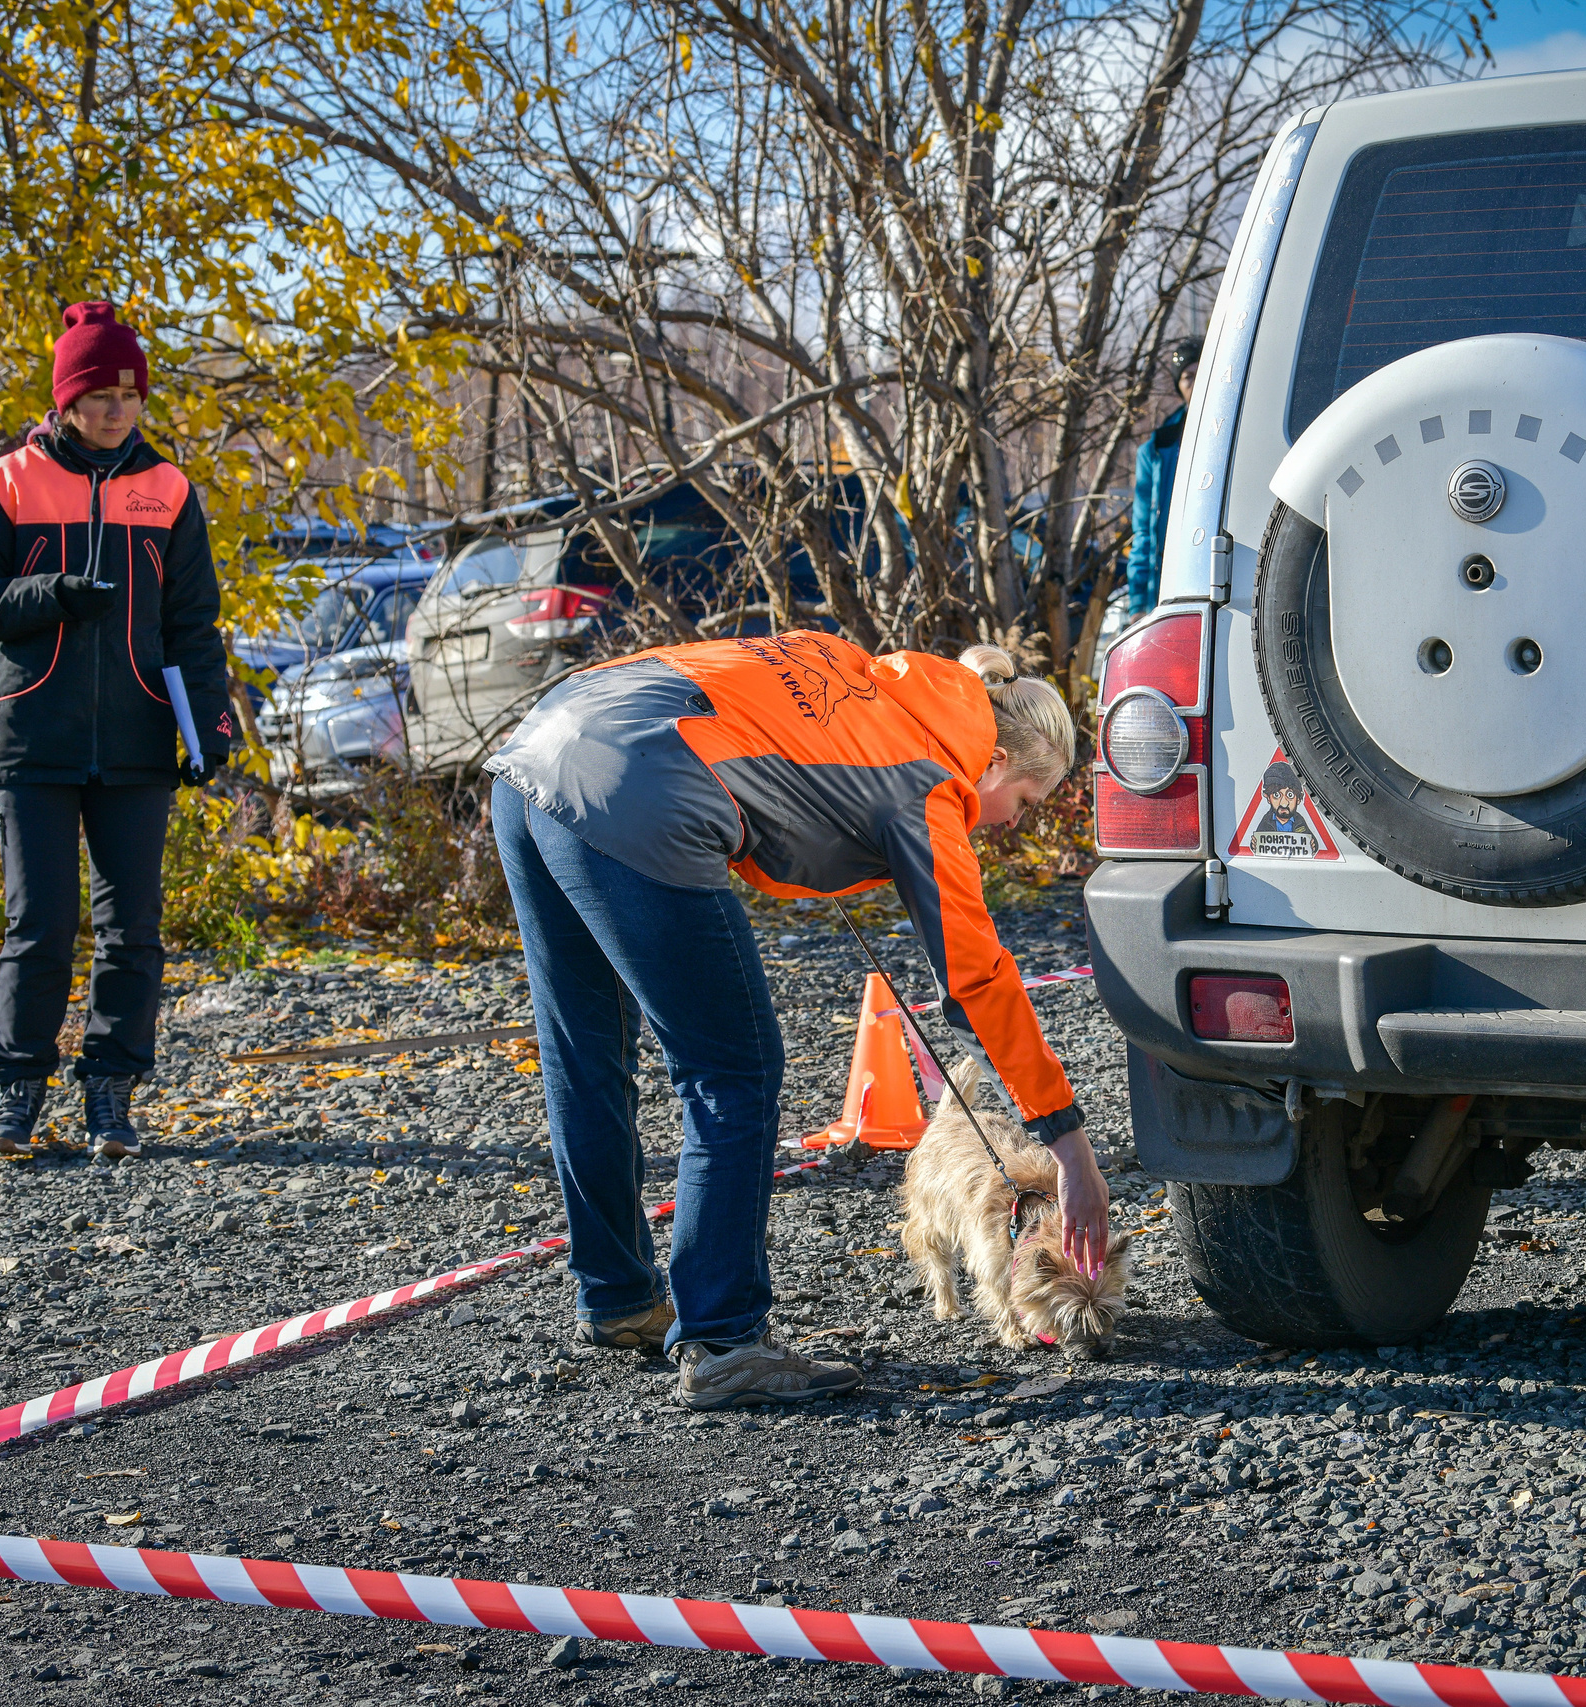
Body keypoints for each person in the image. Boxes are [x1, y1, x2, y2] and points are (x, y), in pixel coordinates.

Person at [485, 630, 1109, 1410]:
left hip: (535, 752)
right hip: (632, 789)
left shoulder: (872, 678)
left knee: (584, 1053)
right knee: (736, 1070)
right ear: (995, 765)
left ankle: (617, 1298)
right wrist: (1072, 1150)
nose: (1012, 824)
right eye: (1023, 802)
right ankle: (724, 1340)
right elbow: (979, 979)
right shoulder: (934, 778)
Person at [0, 302, 235, 1160]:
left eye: (128, 393)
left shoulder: (171, 491)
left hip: (140, 740)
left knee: (132, 927)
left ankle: (110, 1093)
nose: (115, 409)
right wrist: (53, 595)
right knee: (39, 924)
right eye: (97, 393)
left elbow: (194, 626)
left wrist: (208, 727)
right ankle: (15, 1098)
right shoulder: (5, 484)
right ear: (65, 400)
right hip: (33, 738)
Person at [1123, 337, 1201, 621]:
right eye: (1187, 377)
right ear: (1178, 386)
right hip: (1171, 581)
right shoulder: (1157, 449)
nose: (1195, 382)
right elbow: (1144, 532)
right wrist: (1139, 604)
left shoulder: (1242, 430)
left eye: (1201, 371)